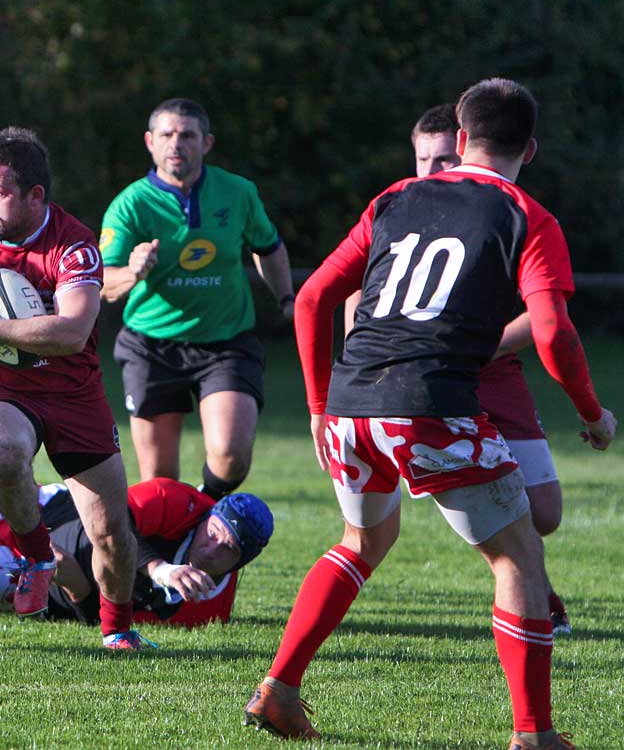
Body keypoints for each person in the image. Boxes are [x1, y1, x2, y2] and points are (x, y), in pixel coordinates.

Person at [244, 79, 616, 749]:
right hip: (432, 406)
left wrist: (317, 406)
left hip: (354, 403)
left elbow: (310, 301)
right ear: (528, 149)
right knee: (519, 559)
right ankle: (534, 735)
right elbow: (554, 334)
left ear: (463, 139)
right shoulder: (529, 217)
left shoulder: (393, 198)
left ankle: (279, 688)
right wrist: (593, 415)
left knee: (363, 542)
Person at [0, 126, 144, 650]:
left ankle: (118, 629)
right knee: (5, 450)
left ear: (36, 195)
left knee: (112, 535)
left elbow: (73, 330)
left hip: (73, 394)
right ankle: (37, 556)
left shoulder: (73, 245)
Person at [344, 103, 572, 633]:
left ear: (466, 148)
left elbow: (544, 319)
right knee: (369, 534)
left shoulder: (505, 213)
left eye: (445, 157)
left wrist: (477, 345)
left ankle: (520, 568)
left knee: (545, 513)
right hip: (422, 380)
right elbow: (357, 293)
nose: (433, 171)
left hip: (490, 371)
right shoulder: (401, 206)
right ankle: (527, 585)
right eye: (423, 159)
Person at [99, 98, 294, 496]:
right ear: (150, 142)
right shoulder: (130, 204)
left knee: (230, 454)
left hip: (226, 342)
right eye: (167, 135)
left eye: (187, 135)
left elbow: (268, 247)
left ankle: (204, 514)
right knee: (159, 483)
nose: (177, 144)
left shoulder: (237, 193)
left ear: (206, 143)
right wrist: (133, 272)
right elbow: (102, 282)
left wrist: (288, 299)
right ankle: (171, 551)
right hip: (152, 346)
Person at [0, 477, 273, 629]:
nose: (211, 545)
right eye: (213, 531)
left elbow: (98, 613)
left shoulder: (208, 607)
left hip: (48, 576)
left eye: (226, 548)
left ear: (241, 562)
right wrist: (159, 569)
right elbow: (114, 525)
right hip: (44, 507)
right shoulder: (179, 501)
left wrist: (69, 577)